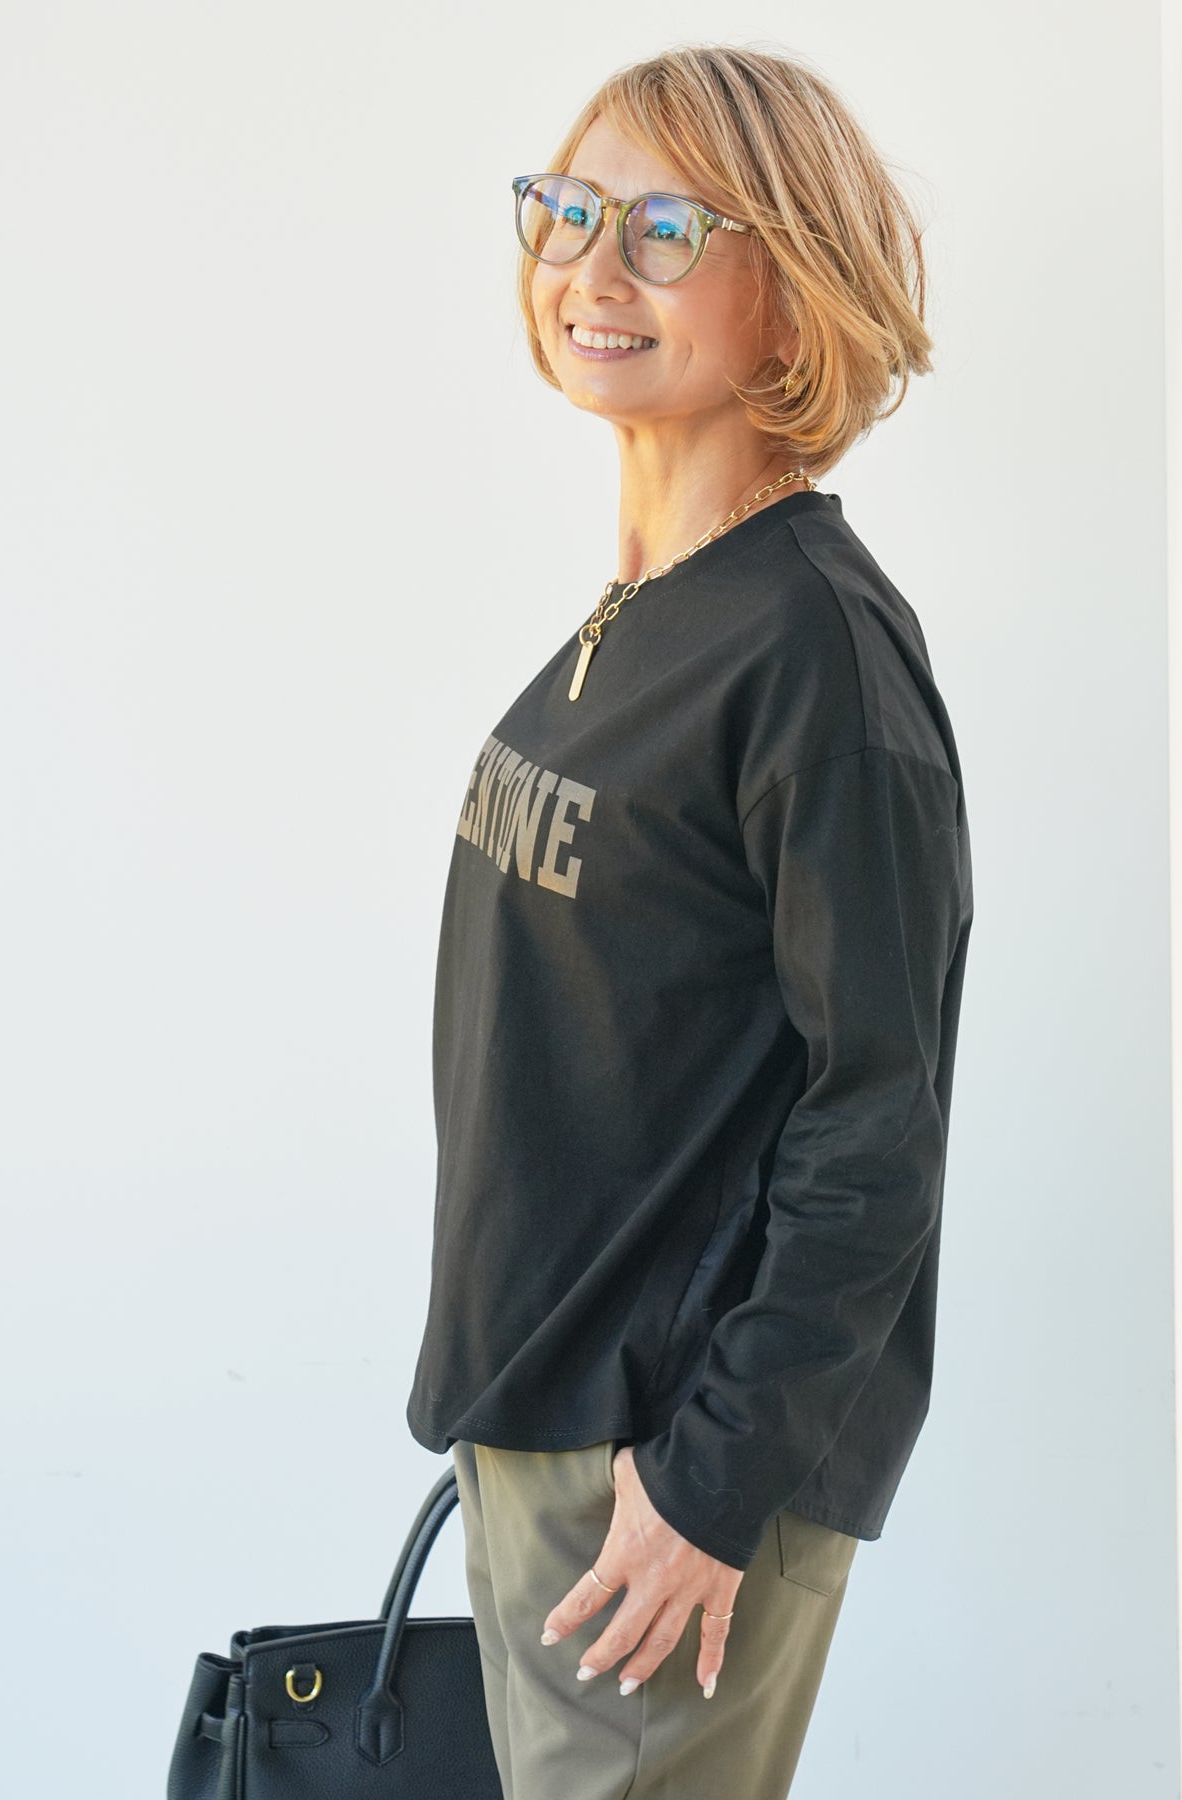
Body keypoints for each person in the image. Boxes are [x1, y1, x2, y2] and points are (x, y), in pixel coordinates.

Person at [405, 41, 973, 1800]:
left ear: (792, 295)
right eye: (570, 210)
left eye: (663, 229)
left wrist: (710, 1484)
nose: (593, 266)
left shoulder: (818, 656)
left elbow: (877, 1122)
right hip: (553, 1423)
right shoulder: (654, 608)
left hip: (666, 1473)